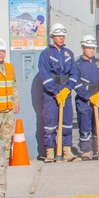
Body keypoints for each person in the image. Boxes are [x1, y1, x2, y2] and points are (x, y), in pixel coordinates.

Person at [38, 23, 80, 163]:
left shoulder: (69, 53)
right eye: (58, 36)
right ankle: (50, 151)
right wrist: (55, 92)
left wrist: (68, 88)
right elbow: (44, 75)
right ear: (52, 37)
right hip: (51, 94)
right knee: (50, 122)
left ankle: (66, 149)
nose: (61, 38)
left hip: (65, 91)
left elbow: (74, 73)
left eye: (63, 36)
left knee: (67, 122)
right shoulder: (46, 54)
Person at [73, 35, 99, 161]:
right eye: (89, 48)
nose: (92, 50)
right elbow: (76, 83)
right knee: (85, 124)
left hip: (98, 98)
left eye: (93, 48)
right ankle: (86, 150)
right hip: (84, 100)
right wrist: (87, 96)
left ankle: (98, 148)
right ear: (83, 48)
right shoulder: (77, 64)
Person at [0, 38, 20, 161]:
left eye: (3, 51)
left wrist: (16, 102)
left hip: (8, 109)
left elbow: (14, 86)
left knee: (7, 136)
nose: (1, 53)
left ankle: (5, 160)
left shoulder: (9, 67)